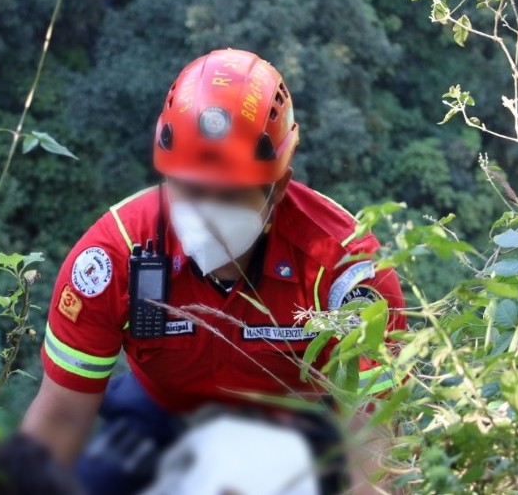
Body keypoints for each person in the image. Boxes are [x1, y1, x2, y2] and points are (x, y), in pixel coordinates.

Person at [20, 48, 406, 495]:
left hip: (297, 426)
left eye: (229, 194)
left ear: (278, 186)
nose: (205, 213)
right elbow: (61, 419)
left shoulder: (345, 270)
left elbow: (374, 444)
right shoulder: (112, 258)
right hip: (158, 413)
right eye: (190, 189)